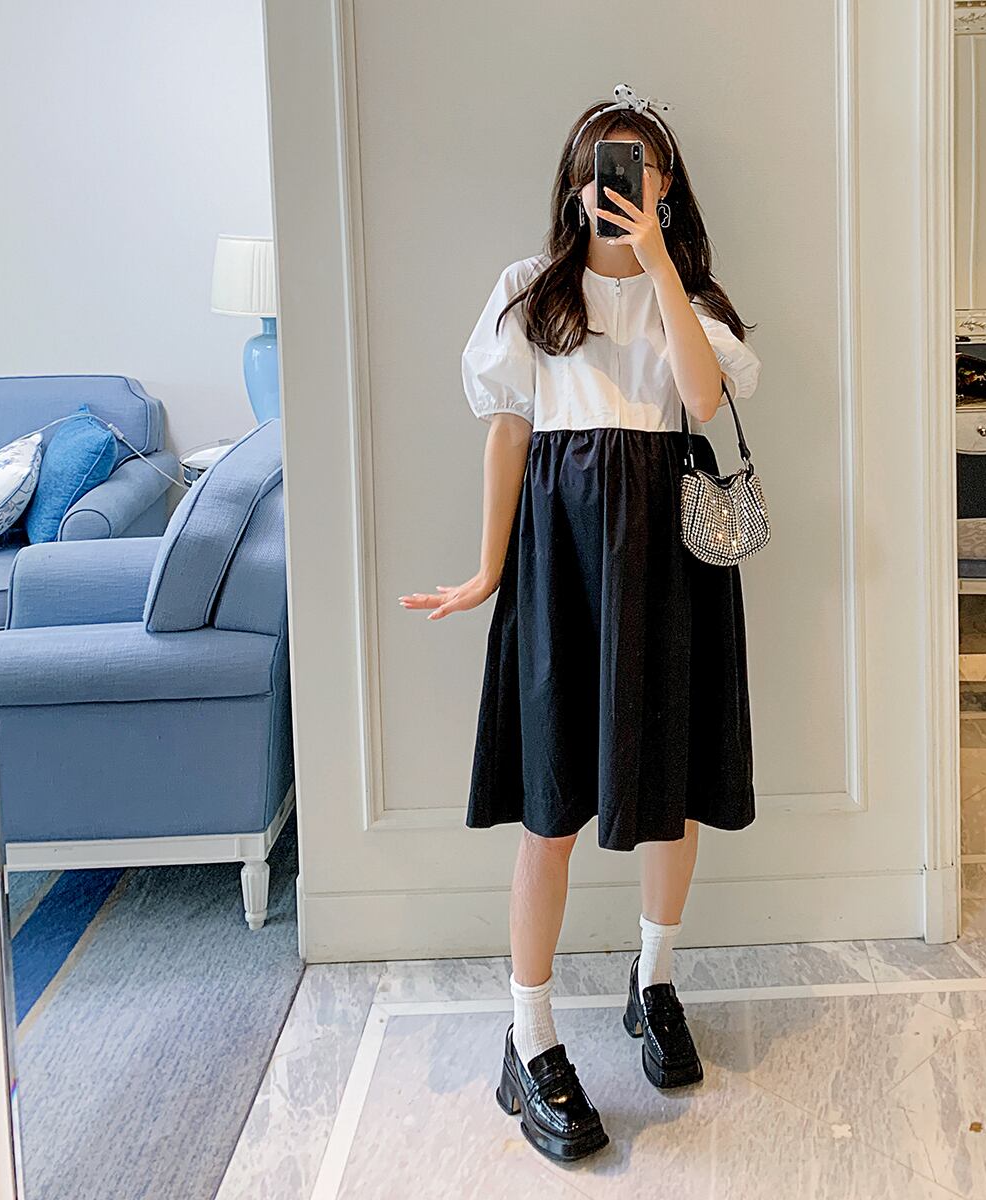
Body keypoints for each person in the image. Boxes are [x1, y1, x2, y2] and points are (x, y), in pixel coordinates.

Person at [398, 84, 761, 1163]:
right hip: (562, 567)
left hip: (671, 568)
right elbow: (509, 435)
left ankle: (654, 985)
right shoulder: (531, 293)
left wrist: (658, 265)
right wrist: (487, 570)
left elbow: (704, 401)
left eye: (639, 167)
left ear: (666, 185)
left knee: (671, 788)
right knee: (549, 805)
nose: (618, 184)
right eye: (603, 166)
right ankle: (531, 1037)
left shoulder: (687, 294)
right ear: (574, 183)